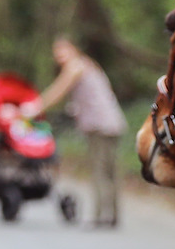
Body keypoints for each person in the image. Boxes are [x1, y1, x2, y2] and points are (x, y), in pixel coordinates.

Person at [22, 37, 124, 227]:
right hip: (111, 122)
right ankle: (113, 215)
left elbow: (58, 90)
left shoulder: (76, 66)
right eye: (57, 53)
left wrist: (34, 108)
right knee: (110, 171)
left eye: (63, 50)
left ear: (74, 49)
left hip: (99, 125)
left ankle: (102, 216)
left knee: (101, 170)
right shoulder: (88, 65)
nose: (60, 56)